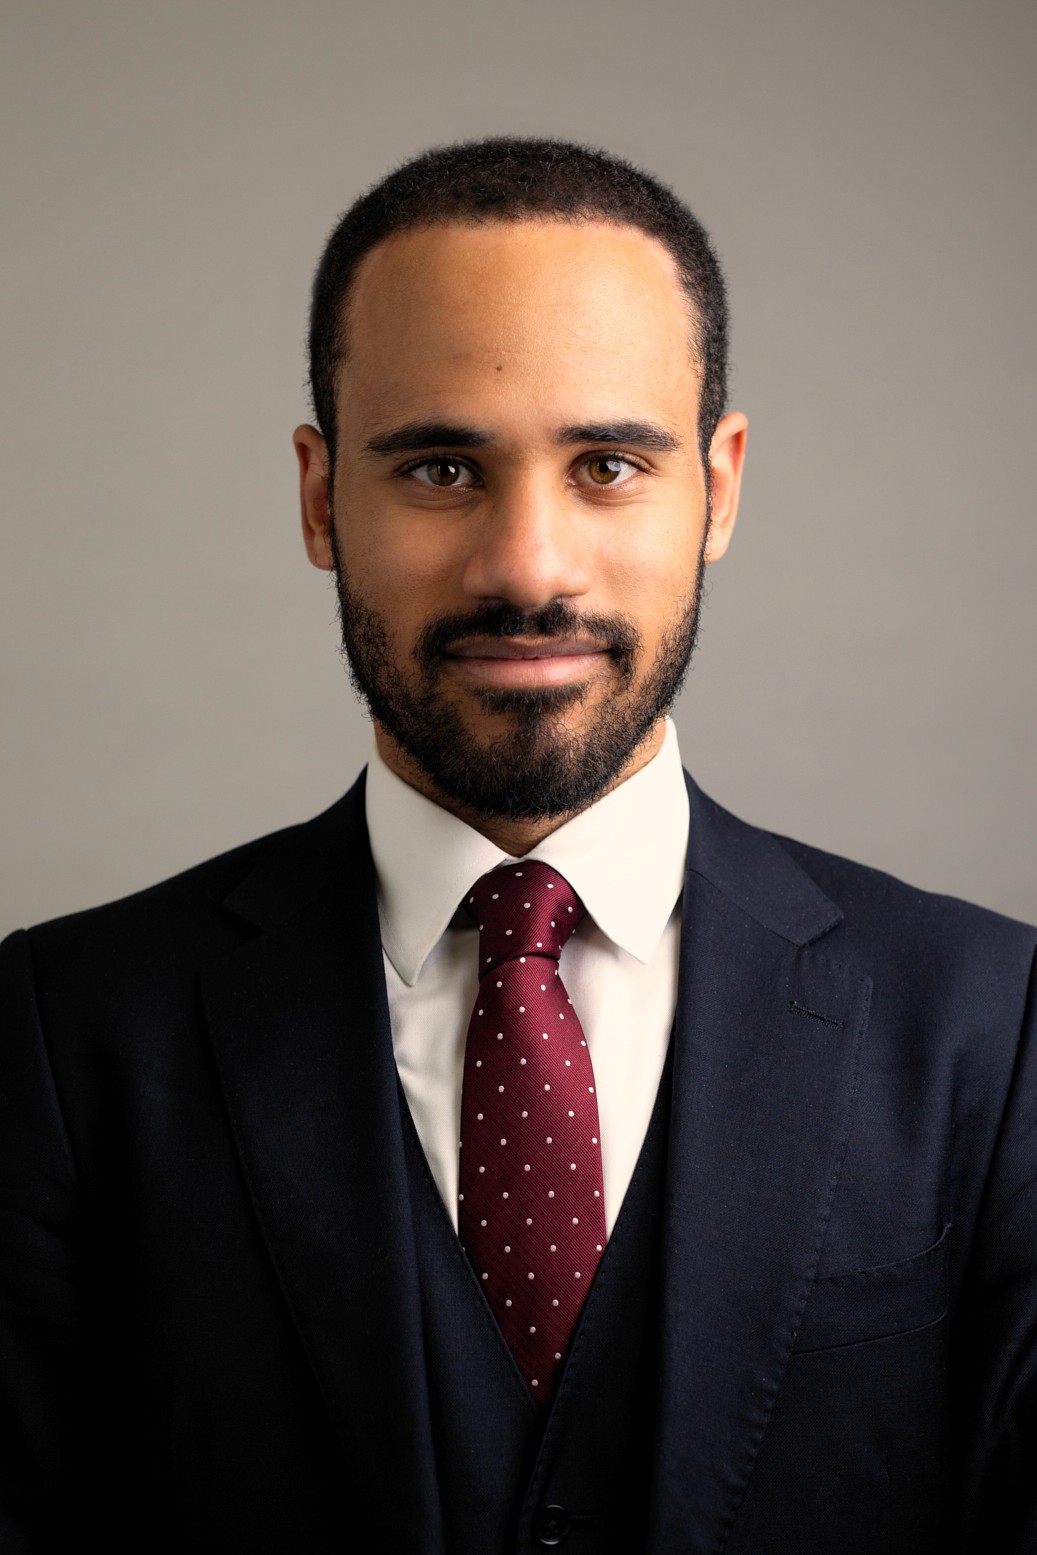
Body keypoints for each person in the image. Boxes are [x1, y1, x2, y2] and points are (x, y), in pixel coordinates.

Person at [1, 137, 1034, 1555]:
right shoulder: (62, 1035)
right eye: (438, 467)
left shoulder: (995, 1024)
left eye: (609, 465)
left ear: (718, 488)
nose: (528, 567)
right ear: (319, 499)